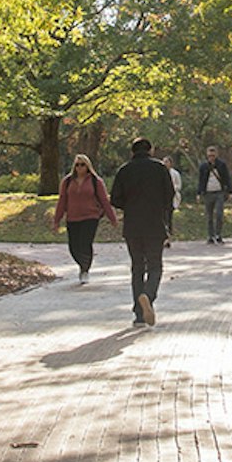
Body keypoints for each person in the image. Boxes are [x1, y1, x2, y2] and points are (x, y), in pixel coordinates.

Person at [109, 138, 176, 326]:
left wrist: (130, 205)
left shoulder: (124, 170)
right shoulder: (159, 168)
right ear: (151, 150)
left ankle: (139, 314)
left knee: (137, 267)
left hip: (132, 226)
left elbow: (115, 199)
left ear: (132, 151)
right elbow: (169, 195)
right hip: (154, 224)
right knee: (155, 266)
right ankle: (148, 295)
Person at [51, 154, 116, 284]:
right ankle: (82, 264)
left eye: (82, 165)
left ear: (88, 166)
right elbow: (62, 201)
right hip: (72, 217)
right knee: (73, 247)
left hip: (90, 217)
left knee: (85, 243)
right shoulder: (67, 181)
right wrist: (57, 220)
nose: (79, 167)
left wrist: (112, 218)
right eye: (77, 165)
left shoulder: (95, 181)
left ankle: (85, 269)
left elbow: (104, 201)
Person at [197, 144, 232, 243]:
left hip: (219, 193)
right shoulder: (203, 166)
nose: (211, 158)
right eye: (209, 156)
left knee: (219, 214)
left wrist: (230, 191)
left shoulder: (221, 165)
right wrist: (199, 193)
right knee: (209, 216)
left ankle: (218, 234)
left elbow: (227, 178)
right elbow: (201, 180)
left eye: (213, 155)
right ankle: (210, 236)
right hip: (208, 193)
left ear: (216, 155)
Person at [165, 153, 184, 246]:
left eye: (167, 161)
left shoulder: (175, 173)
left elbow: (179, 185)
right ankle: (164, 237)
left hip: (171, 198)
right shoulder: (160, 172)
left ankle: (168, 236)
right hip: (161, 199)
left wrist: (172, 188)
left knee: (169, 217)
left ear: (171, 163)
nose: (165, 163)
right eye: (164, 161)